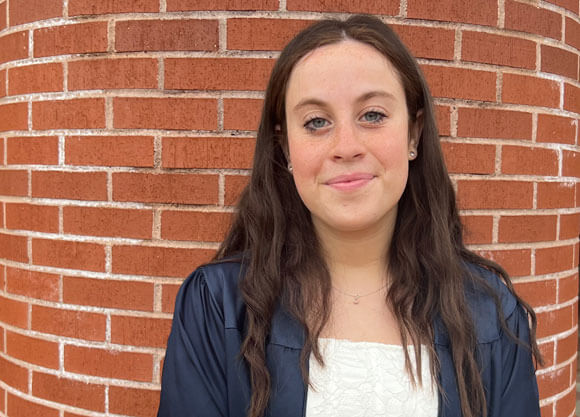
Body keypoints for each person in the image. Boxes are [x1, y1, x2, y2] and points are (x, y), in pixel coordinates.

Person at [157, 14, 542, 417]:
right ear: (285, 147)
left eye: (372, 115)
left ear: (414, 133)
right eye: (316, 122)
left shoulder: (489, 314)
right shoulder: (218, 308)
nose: (346, 146)